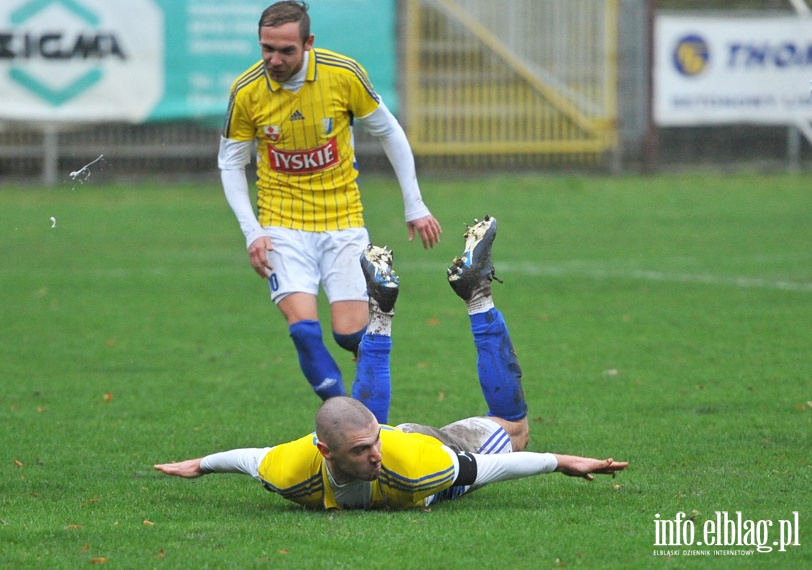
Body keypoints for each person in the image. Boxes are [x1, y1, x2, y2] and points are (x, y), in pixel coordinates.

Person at [155, 216, 628, 511]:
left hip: (425, 445)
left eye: (370, 447)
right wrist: (201, 465)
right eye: (362, 451)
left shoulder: (418, 465)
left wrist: (561, 462)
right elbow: (247, 459)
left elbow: (493, 469)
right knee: (373, 423)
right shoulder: (290, 468)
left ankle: (448, 301)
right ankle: (442, 300)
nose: (373, 454)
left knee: (515, 431)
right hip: (386, 442)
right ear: (323, 452)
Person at [218, 0, 442, 423]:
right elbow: (231, 162)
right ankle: (352, 425)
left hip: (343, 220)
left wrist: (414, 203)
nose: (274, 59)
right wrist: (252, 230)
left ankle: (367, 413)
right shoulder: (247, 90)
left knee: (350, 335)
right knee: (304, 331)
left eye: (286, 50)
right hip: (281, 223)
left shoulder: (343, 74)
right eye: (266, 48)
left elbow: (389, 132)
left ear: (308, 43)